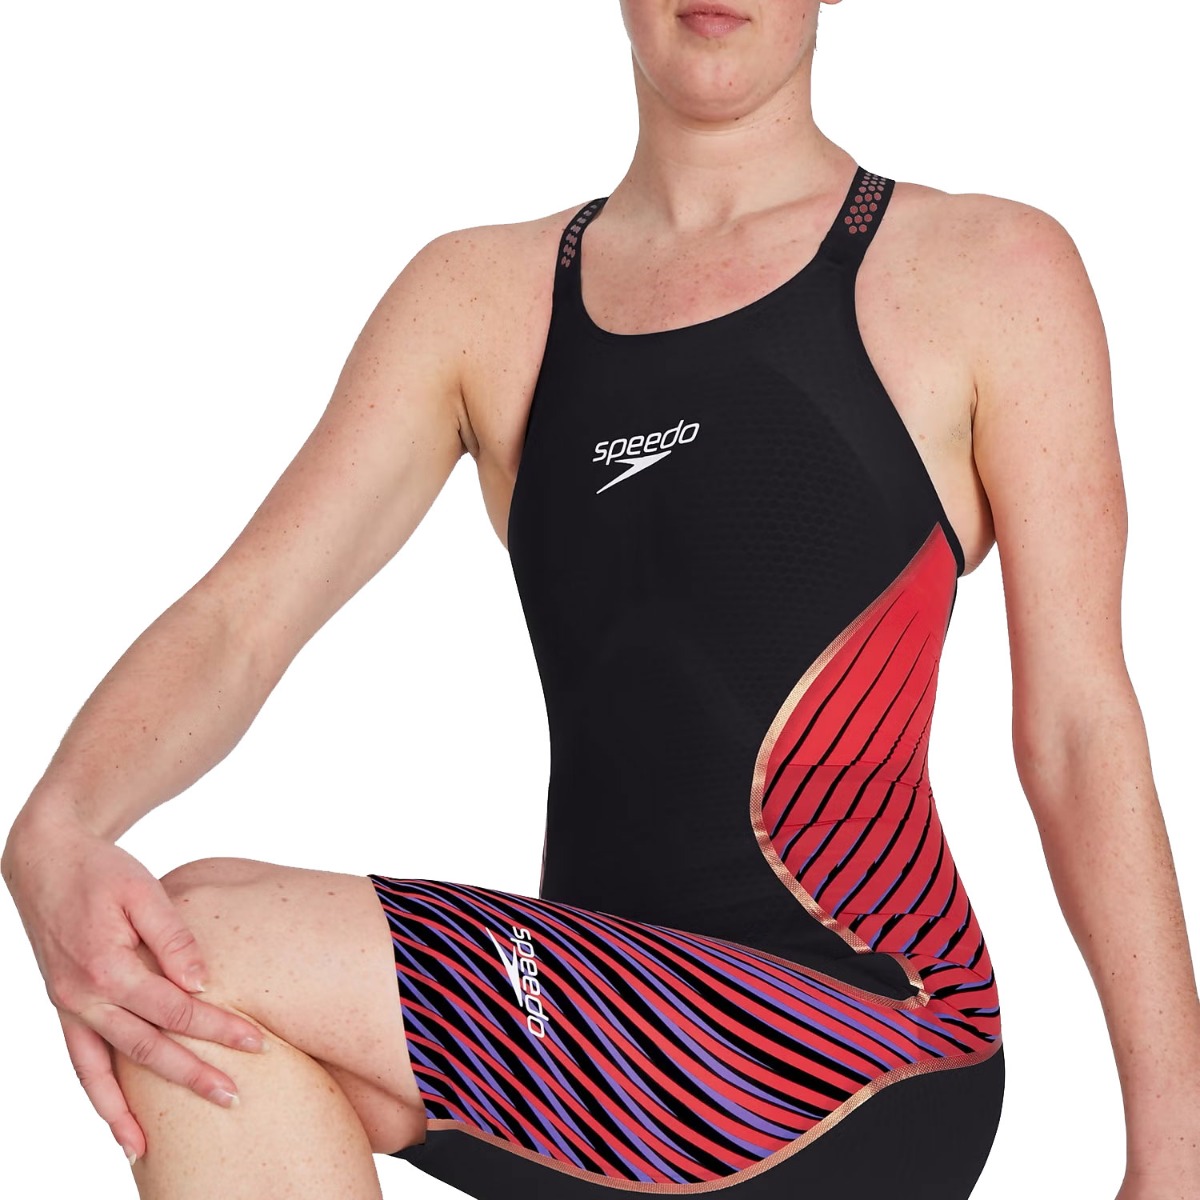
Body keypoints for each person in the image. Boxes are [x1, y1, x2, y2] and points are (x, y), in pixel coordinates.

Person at [4, 2, 1198, 1198]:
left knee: (198, 942)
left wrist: (1176, 1158)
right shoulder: (479, 298)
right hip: (597, 1049)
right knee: (165, 991)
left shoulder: (989, 271)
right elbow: (245, 614)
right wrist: (55, 827)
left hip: (869, 1039)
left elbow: (1078, 728)